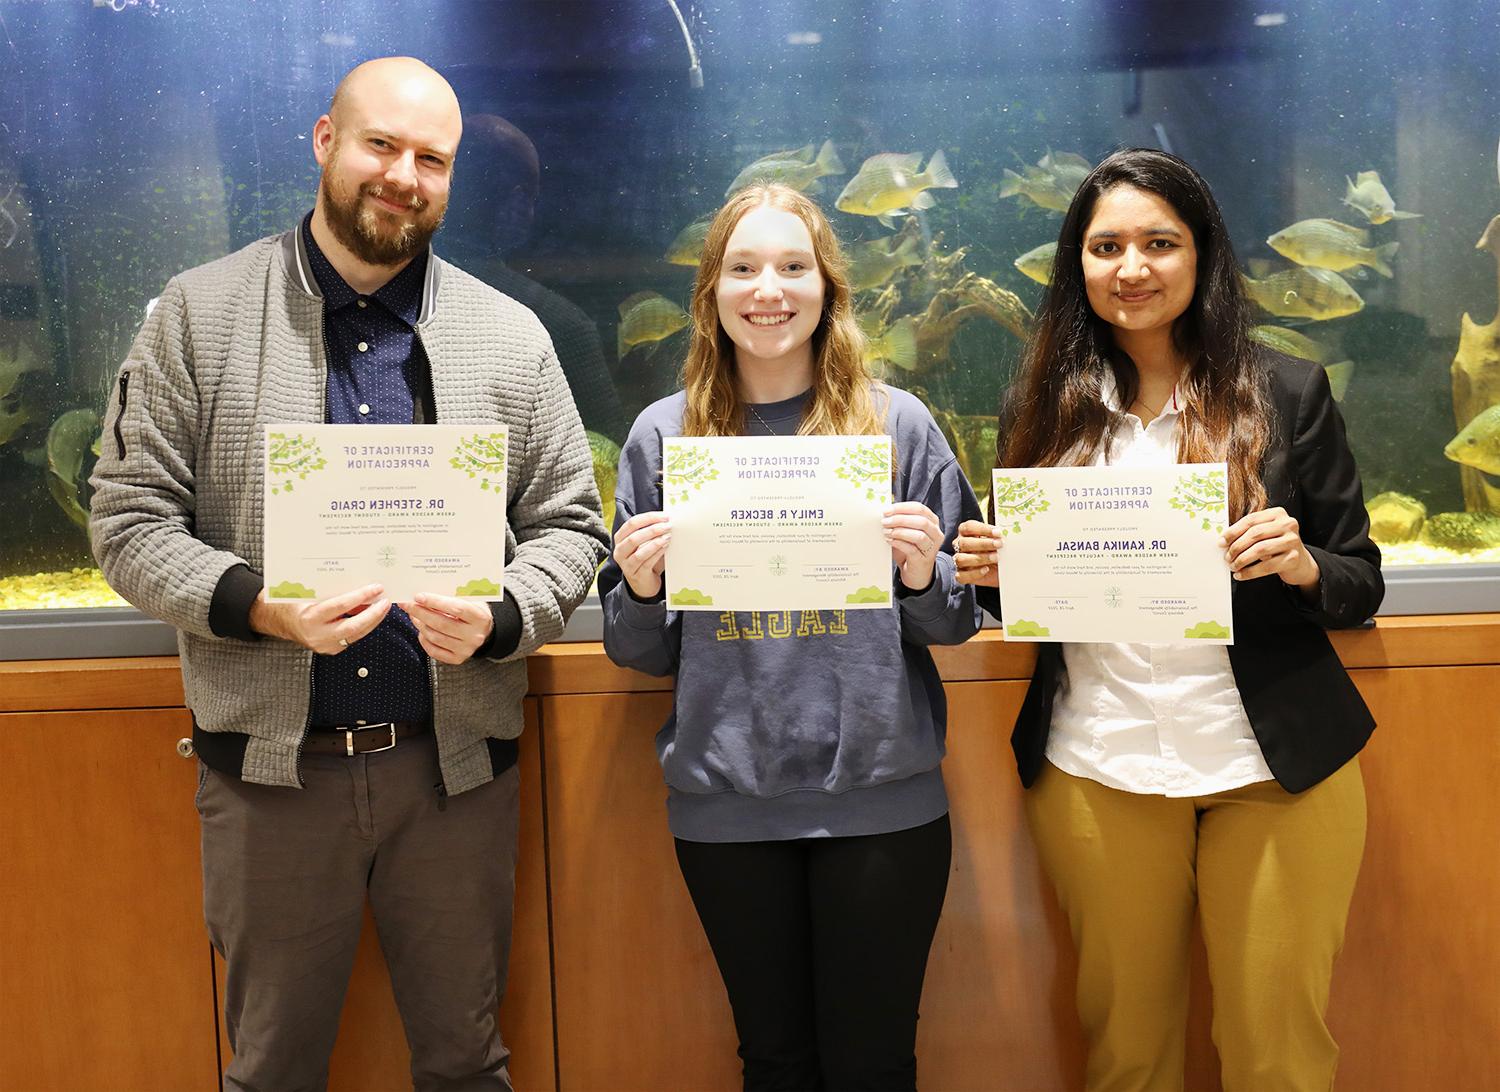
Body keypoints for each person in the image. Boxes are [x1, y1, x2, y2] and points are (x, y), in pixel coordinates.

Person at [89, 57, 608, 1091]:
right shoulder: (198, 314)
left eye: (431, 160)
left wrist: (505, 616)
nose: (402, 175)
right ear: (326, 139)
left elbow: (570, 525)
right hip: (275, 779)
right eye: (381, 144)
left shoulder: (512, 337)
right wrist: (258, 608)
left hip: (453, 773)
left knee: (470, 1063)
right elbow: (129, 519)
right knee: (271, 1071)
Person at [954, 148, 1382, 1091]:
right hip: (1096, 762)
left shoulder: (1289, 390)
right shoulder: (1040, 405)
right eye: (1106, 247)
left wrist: (1305, 562)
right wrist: (991, 573)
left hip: (1275, 766)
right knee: (1126, 1053)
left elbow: (1361, 582)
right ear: (1079, 264)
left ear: (1202, 256)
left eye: (1159, 242)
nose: (1132, 267)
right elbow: (1034, 597)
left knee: (1278, 1056)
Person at [598, 182, 981, 1090]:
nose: (767, 289)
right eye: (742, 268)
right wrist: (645, 587)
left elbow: (959, 621)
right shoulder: (664, 434)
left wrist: (926, 572)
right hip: (729, 802)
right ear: (711, 292)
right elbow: (636, 650)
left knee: (873, 1063)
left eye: (792, 267)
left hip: (881, 799)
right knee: (772, 1061)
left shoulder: (897, 424)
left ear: (827, 288)